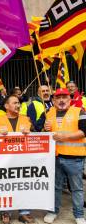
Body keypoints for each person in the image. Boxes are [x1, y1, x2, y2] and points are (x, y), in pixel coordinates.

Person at [43, 88, 86, 224]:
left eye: (64, 97)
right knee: (55, 187)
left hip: (74, 158)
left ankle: (79, 215)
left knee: (77, 188)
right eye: (58, 98)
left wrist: (64, 136)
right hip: (55, 157)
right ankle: (53, 211)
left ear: (70, 99)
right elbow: (46, 133)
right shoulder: (49, 113)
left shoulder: (80, 111)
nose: (61, 100)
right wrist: (45, 128)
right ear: (54, 100)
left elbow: (84, 131)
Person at [0, 95, 35, 224]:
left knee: (24, 186)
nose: (18, 105)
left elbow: (38, 136)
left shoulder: (27, 119)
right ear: (6, 106)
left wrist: (31, 131)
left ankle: (24, 213)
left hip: (23, 160)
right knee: (6, 187)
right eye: (14, 103)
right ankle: (6, 212)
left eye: (18, 103)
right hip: (5, 161)